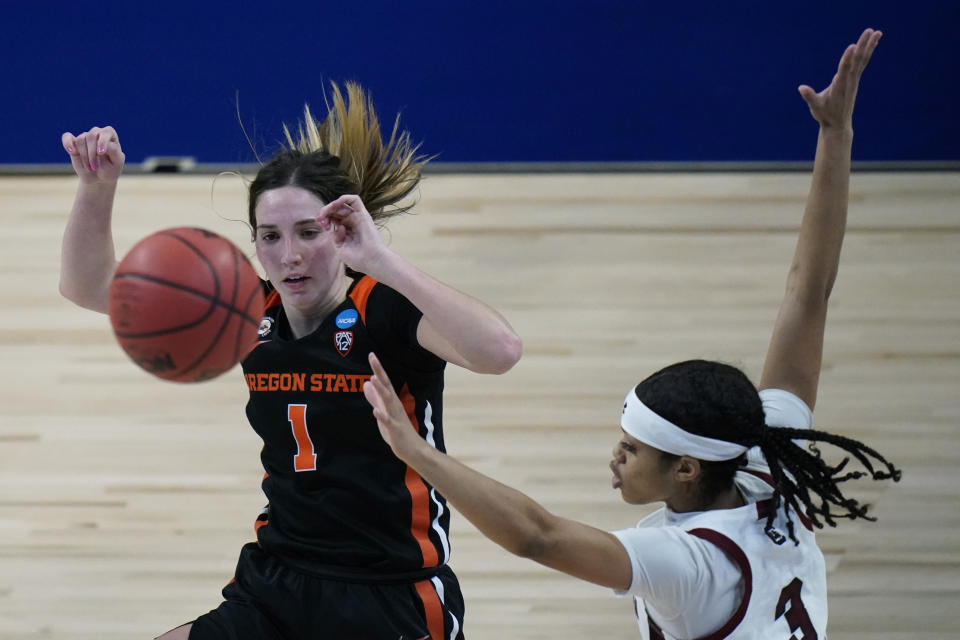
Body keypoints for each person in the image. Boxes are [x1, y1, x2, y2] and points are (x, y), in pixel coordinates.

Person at [364, 28, 900, 639]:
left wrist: (418, 453)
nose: (616, 457)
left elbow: (538, 537)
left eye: (634, 448)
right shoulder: (763, 455)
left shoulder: (689, 564)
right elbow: (808, 295)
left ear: (688, 469)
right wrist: (836, 137)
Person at [59, 83, 522, 639]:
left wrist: (379, 259)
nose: (290, 254)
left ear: (345, 230)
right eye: (271, 236)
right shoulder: (247, 308)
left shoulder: (385, 311)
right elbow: (87, 287)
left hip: (388, 591)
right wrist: (96, 186)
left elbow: (500, 352)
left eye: (309, 232)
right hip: (277, 580)